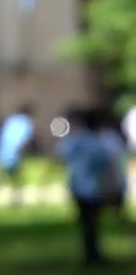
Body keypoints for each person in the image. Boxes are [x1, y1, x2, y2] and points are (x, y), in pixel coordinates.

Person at [56, 108, 120, 267]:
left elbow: (60, 155)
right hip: (93, 188)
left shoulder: (74, 140)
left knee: (85, 222)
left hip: (78, 186)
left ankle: (90, 252)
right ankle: (93, 253)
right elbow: (105, 165)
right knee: (92, 222)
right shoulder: (96, 143)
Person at [0, 103, 34, 207]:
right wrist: (22, 154)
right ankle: (15, 201)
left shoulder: (11, 120)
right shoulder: (26, 123)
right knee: (16, 179)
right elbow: (23, 140)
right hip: (14, 154)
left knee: (1, 178)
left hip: (2, 152)